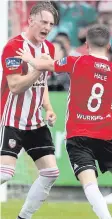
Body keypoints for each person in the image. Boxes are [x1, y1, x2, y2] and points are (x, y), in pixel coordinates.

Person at [16, 24, 112, 219]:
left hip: (78, 135)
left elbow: (44, 66)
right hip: (105, 134)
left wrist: (30, 58)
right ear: (108, 47)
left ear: (86, 44)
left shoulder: (77, 62)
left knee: (90, 185)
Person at [0, 2, 59, 219]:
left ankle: (23, 217)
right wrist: (37, 68)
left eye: (51, 24)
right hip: (12, 119)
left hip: (35, 121)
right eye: (43, 22)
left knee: (51, 172)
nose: (47, 27)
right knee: (5, 174)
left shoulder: (49, 48)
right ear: (31, 19)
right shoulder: (13, 47)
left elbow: (42, 84)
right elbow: (15, 86)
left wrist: (49, 107)